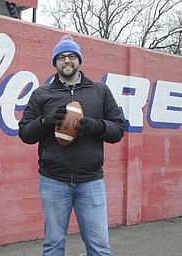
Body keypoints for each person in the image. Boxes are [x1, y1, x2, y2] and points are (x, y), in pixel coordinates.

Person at [18, 34, 126, 256]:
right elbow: (25, 133)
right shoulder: (42, 94)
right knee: (53, 245)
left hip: (91, 181)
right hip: (53, 180)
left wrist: (95, 126)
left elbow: (118, 129)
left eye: (71, 56)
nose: (66, 60)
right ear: (55, 62)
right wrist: (47, 121)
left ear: (79, 60)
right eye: (61, 57)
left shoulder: (100, 91)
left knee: (99, 246)